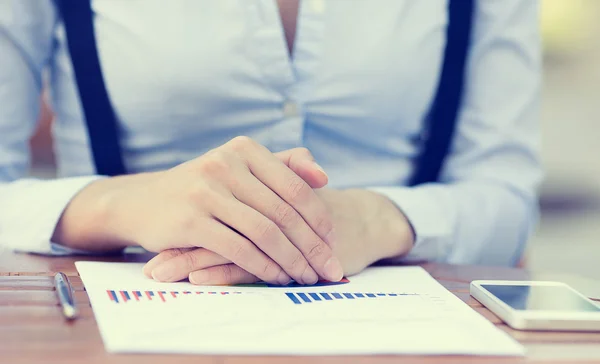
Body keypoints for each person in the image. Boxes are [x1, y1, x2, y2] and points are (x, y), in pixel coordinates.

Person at [0, 0, 542, 286]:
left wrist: (378, 219)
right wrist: (117, 204)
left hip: (415, 347)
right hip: (120, 329)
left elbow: (506, 199)